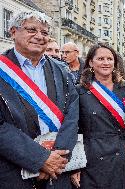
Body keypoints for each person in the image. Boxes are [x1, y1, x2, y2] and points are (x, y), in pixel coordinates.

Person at [0, 11, 79, 189]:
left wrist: (57, 158)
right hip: (14, 172)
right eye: (31, 29)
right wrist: (40, 159)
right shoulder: (2, 69)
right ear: (13, 32)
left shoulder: (61, 70)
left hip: (58, 171)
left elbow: (72, 116)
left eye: (44, 32)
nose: (39, 36)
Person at [70, 43, 125, 188]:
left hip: (117, 156)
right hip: (90, 157)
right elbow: (73, 128)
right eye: (101, 58)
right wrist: (74, 164)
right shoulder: (79, 91)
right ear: (91, 62)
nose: (106, 62)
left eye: (110, 59)